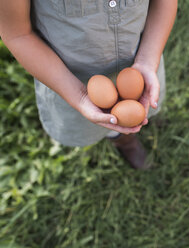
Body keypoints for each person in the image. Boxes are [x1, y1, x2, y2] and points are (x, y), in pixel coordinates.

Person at [0, 0, 178, 169]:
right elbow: (18, 34)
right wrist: (79, 96)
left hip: (140, 61)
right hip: (68, 80)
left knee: (134, 113)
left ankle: (127, 137)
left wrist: (147, 60)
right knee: (107, 122)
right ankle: (120, 140)